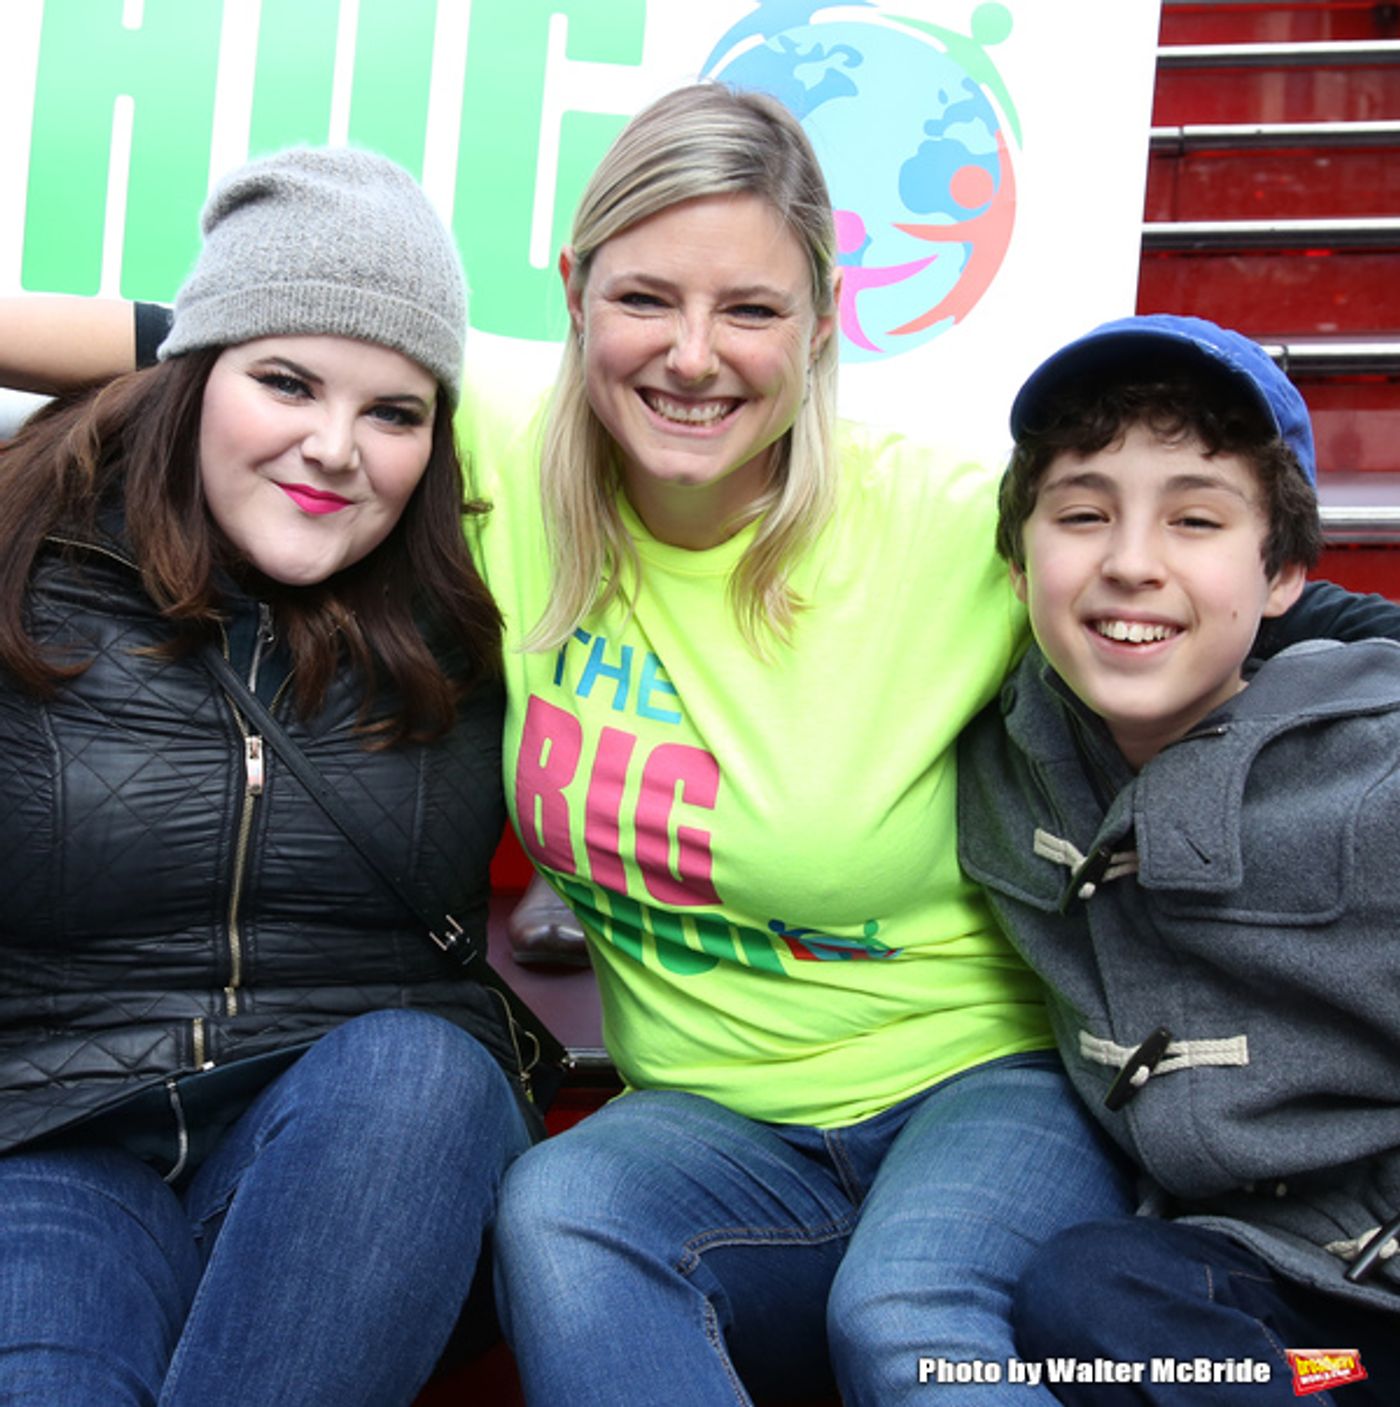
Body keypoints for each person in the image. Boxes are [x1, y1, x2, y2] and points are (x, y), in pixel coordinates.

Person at [6, 87, 1400, 1407]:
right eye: (646, 299)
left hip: (975, 1086)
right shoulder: (488, 438)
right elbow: (210, 330)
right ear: (573, 297)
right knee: (559, 1212)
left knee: (902, 1311)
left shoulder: (946, 518)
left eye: (749, 307)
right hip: (713, 1118)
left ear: (821, 322)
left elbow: (1215, 585)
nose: (690, 352)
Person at [0, 145, 554, 1407]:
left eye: (392, 413)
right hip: (49, 1142)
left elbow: (679, 397)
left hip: (368, 1164)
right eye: (284, 383)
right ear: (184, 377)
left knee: (416, 1072)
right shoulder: (24, 557)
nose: (334, 448)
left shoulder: (479, 584)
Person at [957, 314, 1400, 1403]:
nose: (1129, 563)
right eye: (1080, 515)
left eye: (1194, 519)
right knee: (1087, 1298)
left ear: (1283, 569)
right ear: (1017, 566)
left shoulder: (1376, 770)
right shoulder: (999, 753)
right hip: (1293, 1331)